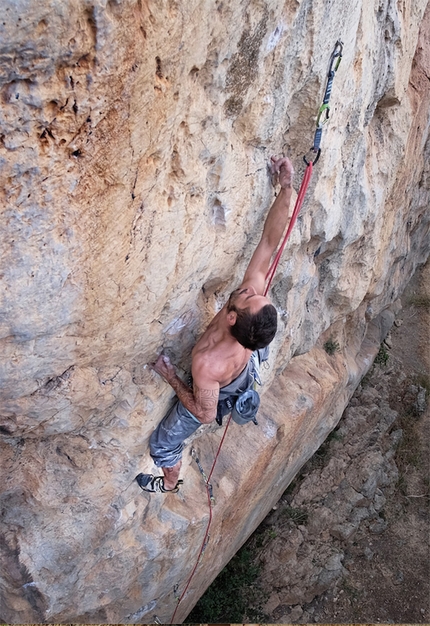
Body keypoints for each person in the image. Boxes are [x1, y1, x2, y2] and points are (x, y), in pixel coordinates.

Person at [136, 155, 294, 493]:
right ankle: (253, 366)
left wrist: (171, 377)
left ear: (233, 315)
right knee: (251, 357)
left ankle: (168, 485)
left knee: (163, 445)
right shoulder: (248, 316)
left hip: (221, 384)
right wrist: (286, 187)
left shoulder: (207, 364)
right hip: (246, 358)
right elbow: (269, 243)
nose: (253, 289)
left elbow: (206, 414)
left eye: (252, 297)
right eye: (257, 295)